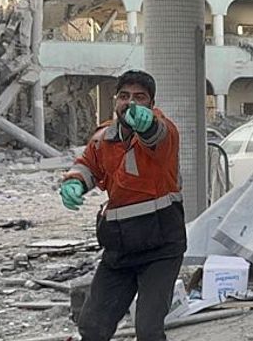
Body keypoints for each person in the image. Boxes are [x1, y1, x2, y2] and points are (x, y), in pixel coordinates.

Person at [60, 70, 186, 341]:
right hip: (120, 249)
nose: (131, 103)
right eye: (124, 96)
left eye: (140, 98)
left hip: (161, 248)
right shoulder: (103, 138)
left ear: (151, 105)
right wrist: (75, 182)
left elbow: (159, 136)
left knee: (149, 330)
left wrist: (148, 124)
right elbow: (88, 165)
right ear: (115, 100)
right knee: (93, 326)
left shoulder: (164, 131)